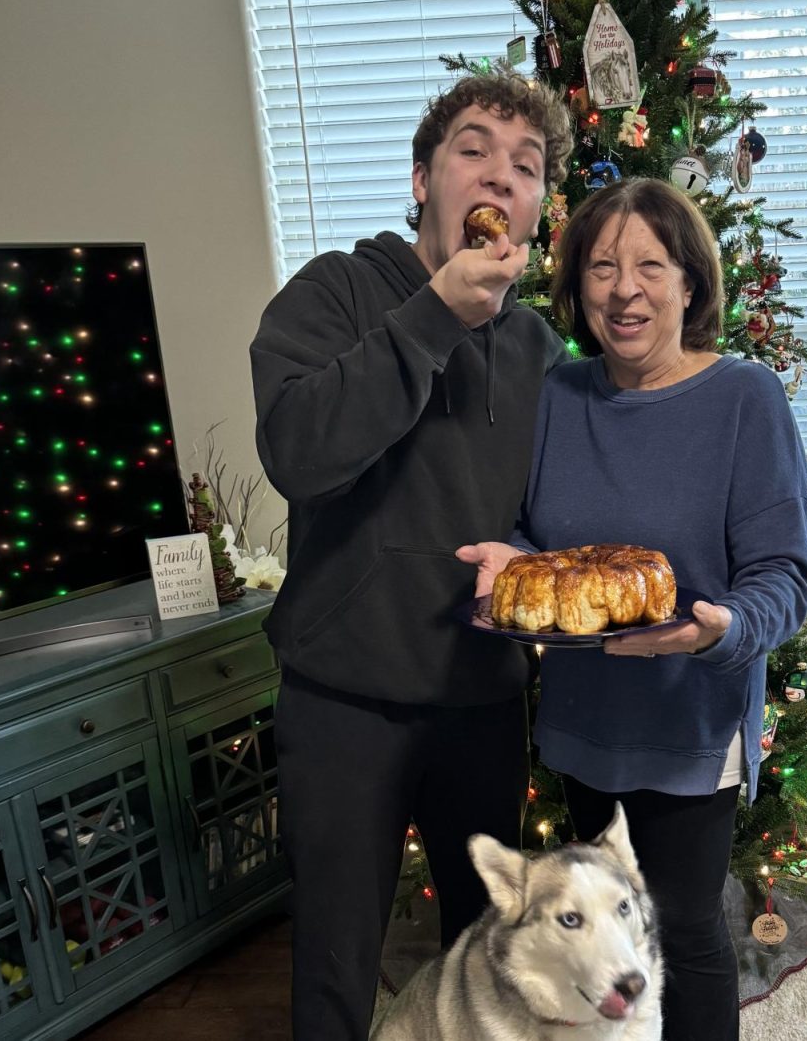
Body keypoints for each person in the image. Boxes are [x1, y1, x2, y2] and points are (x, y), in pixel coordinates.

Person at [250, 68, 573, 1041]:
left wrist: (528, 553)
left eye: (526, 164)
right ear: (423, 177)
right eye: (473, 148)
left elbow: (551, 519)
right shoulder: (337, 291)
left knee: (485, 957)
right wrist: (434, 315)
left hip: (479, 699)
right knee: (337, 965)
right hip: (341, 701)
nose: (500, 175)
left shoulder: (540, 349)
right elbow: (297, 454)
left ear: (538, 206)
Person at [458, 178, 807, 1041]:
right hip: (587, 721)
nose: (626, 289)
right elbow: (531, 530)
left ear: (689, 283)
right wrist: (511, 556)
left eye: (650, 266)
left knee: (685, 930)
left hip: (693, 721)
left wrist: (722, 628)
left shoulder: (744, 400)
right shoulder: (559, 396)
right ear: (578, 286)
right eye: (603, 267)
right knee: (609, 935)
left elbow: (785, 575)